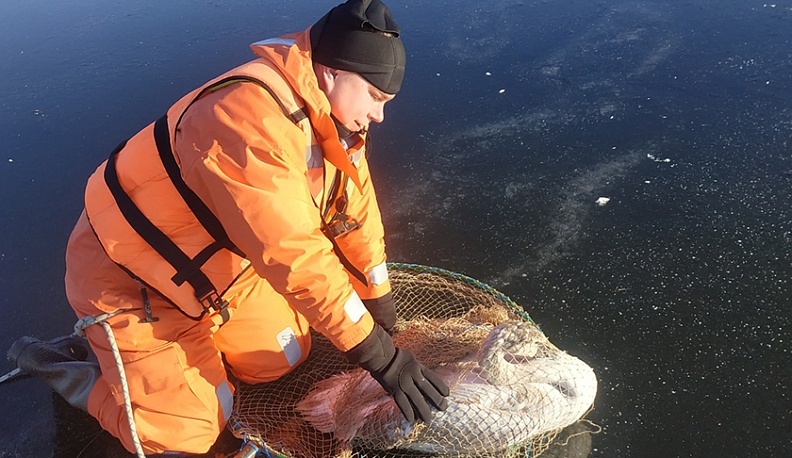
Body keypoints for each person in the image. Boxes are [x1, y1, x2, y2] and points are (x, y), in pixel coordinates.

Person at [7, 0, 449, 455]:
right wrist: (382, 357)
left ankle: (169, 367)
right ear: (334, 72)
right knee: (191, 437)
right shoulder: (246, 122)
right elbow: (297, 259)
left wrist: (379, 305)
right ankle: (85, 374)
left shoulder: (335, 123)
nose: (380, 115)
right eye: (375, 98)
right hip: (132, 281)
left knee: (283, 357)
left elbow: (353, 214)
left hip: (215, 272)